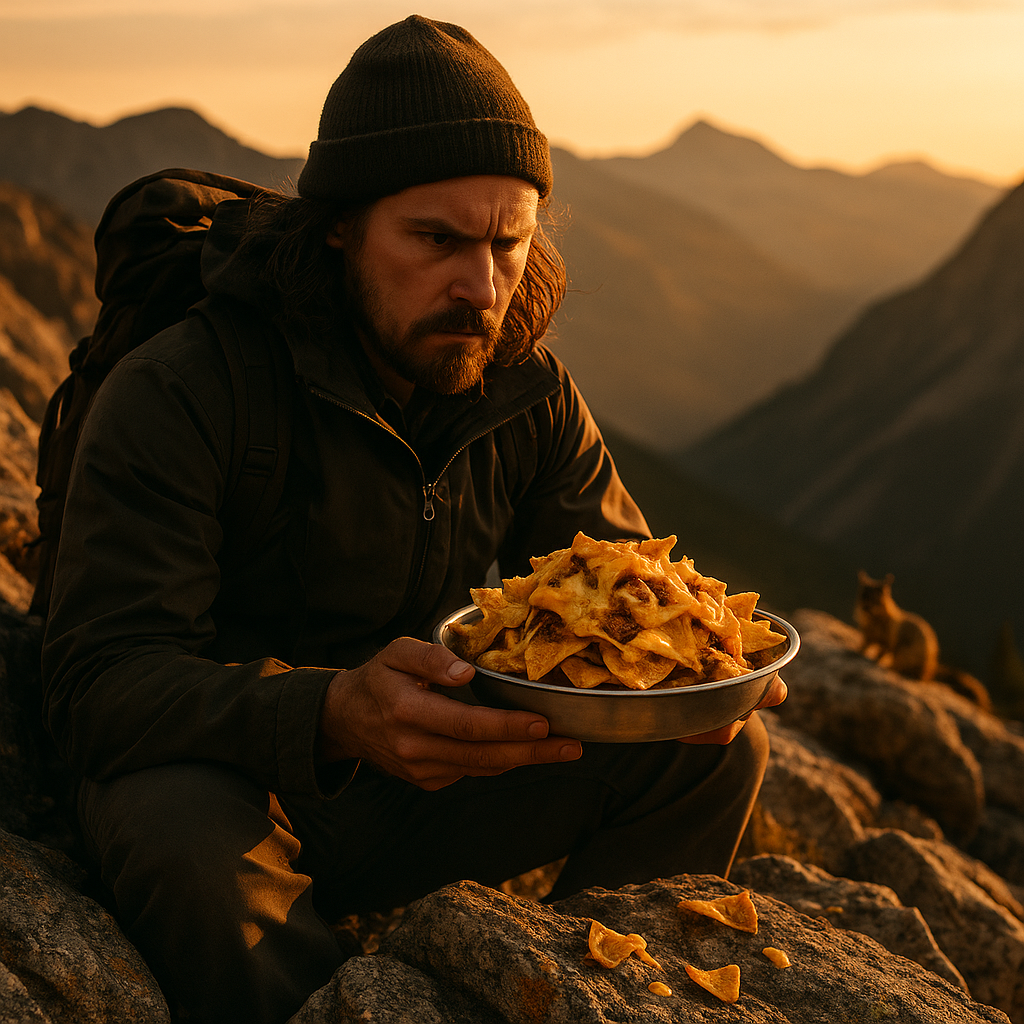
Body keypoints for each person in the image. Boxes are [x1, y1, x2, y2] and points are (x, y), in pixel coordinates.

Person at [40, 15, 785, 1024]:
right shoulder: (185, 387)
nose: (480, 287)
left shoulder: (524, 389)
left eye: (506, 243)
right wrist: (332, 710)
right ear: (340, 224)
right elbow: (98, 681)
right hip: (236, 777)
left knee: (714, 747)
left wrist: (698, 677)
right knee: (175, 828)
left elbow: (619, 585)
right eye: (435, 239)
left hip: (423, 772)